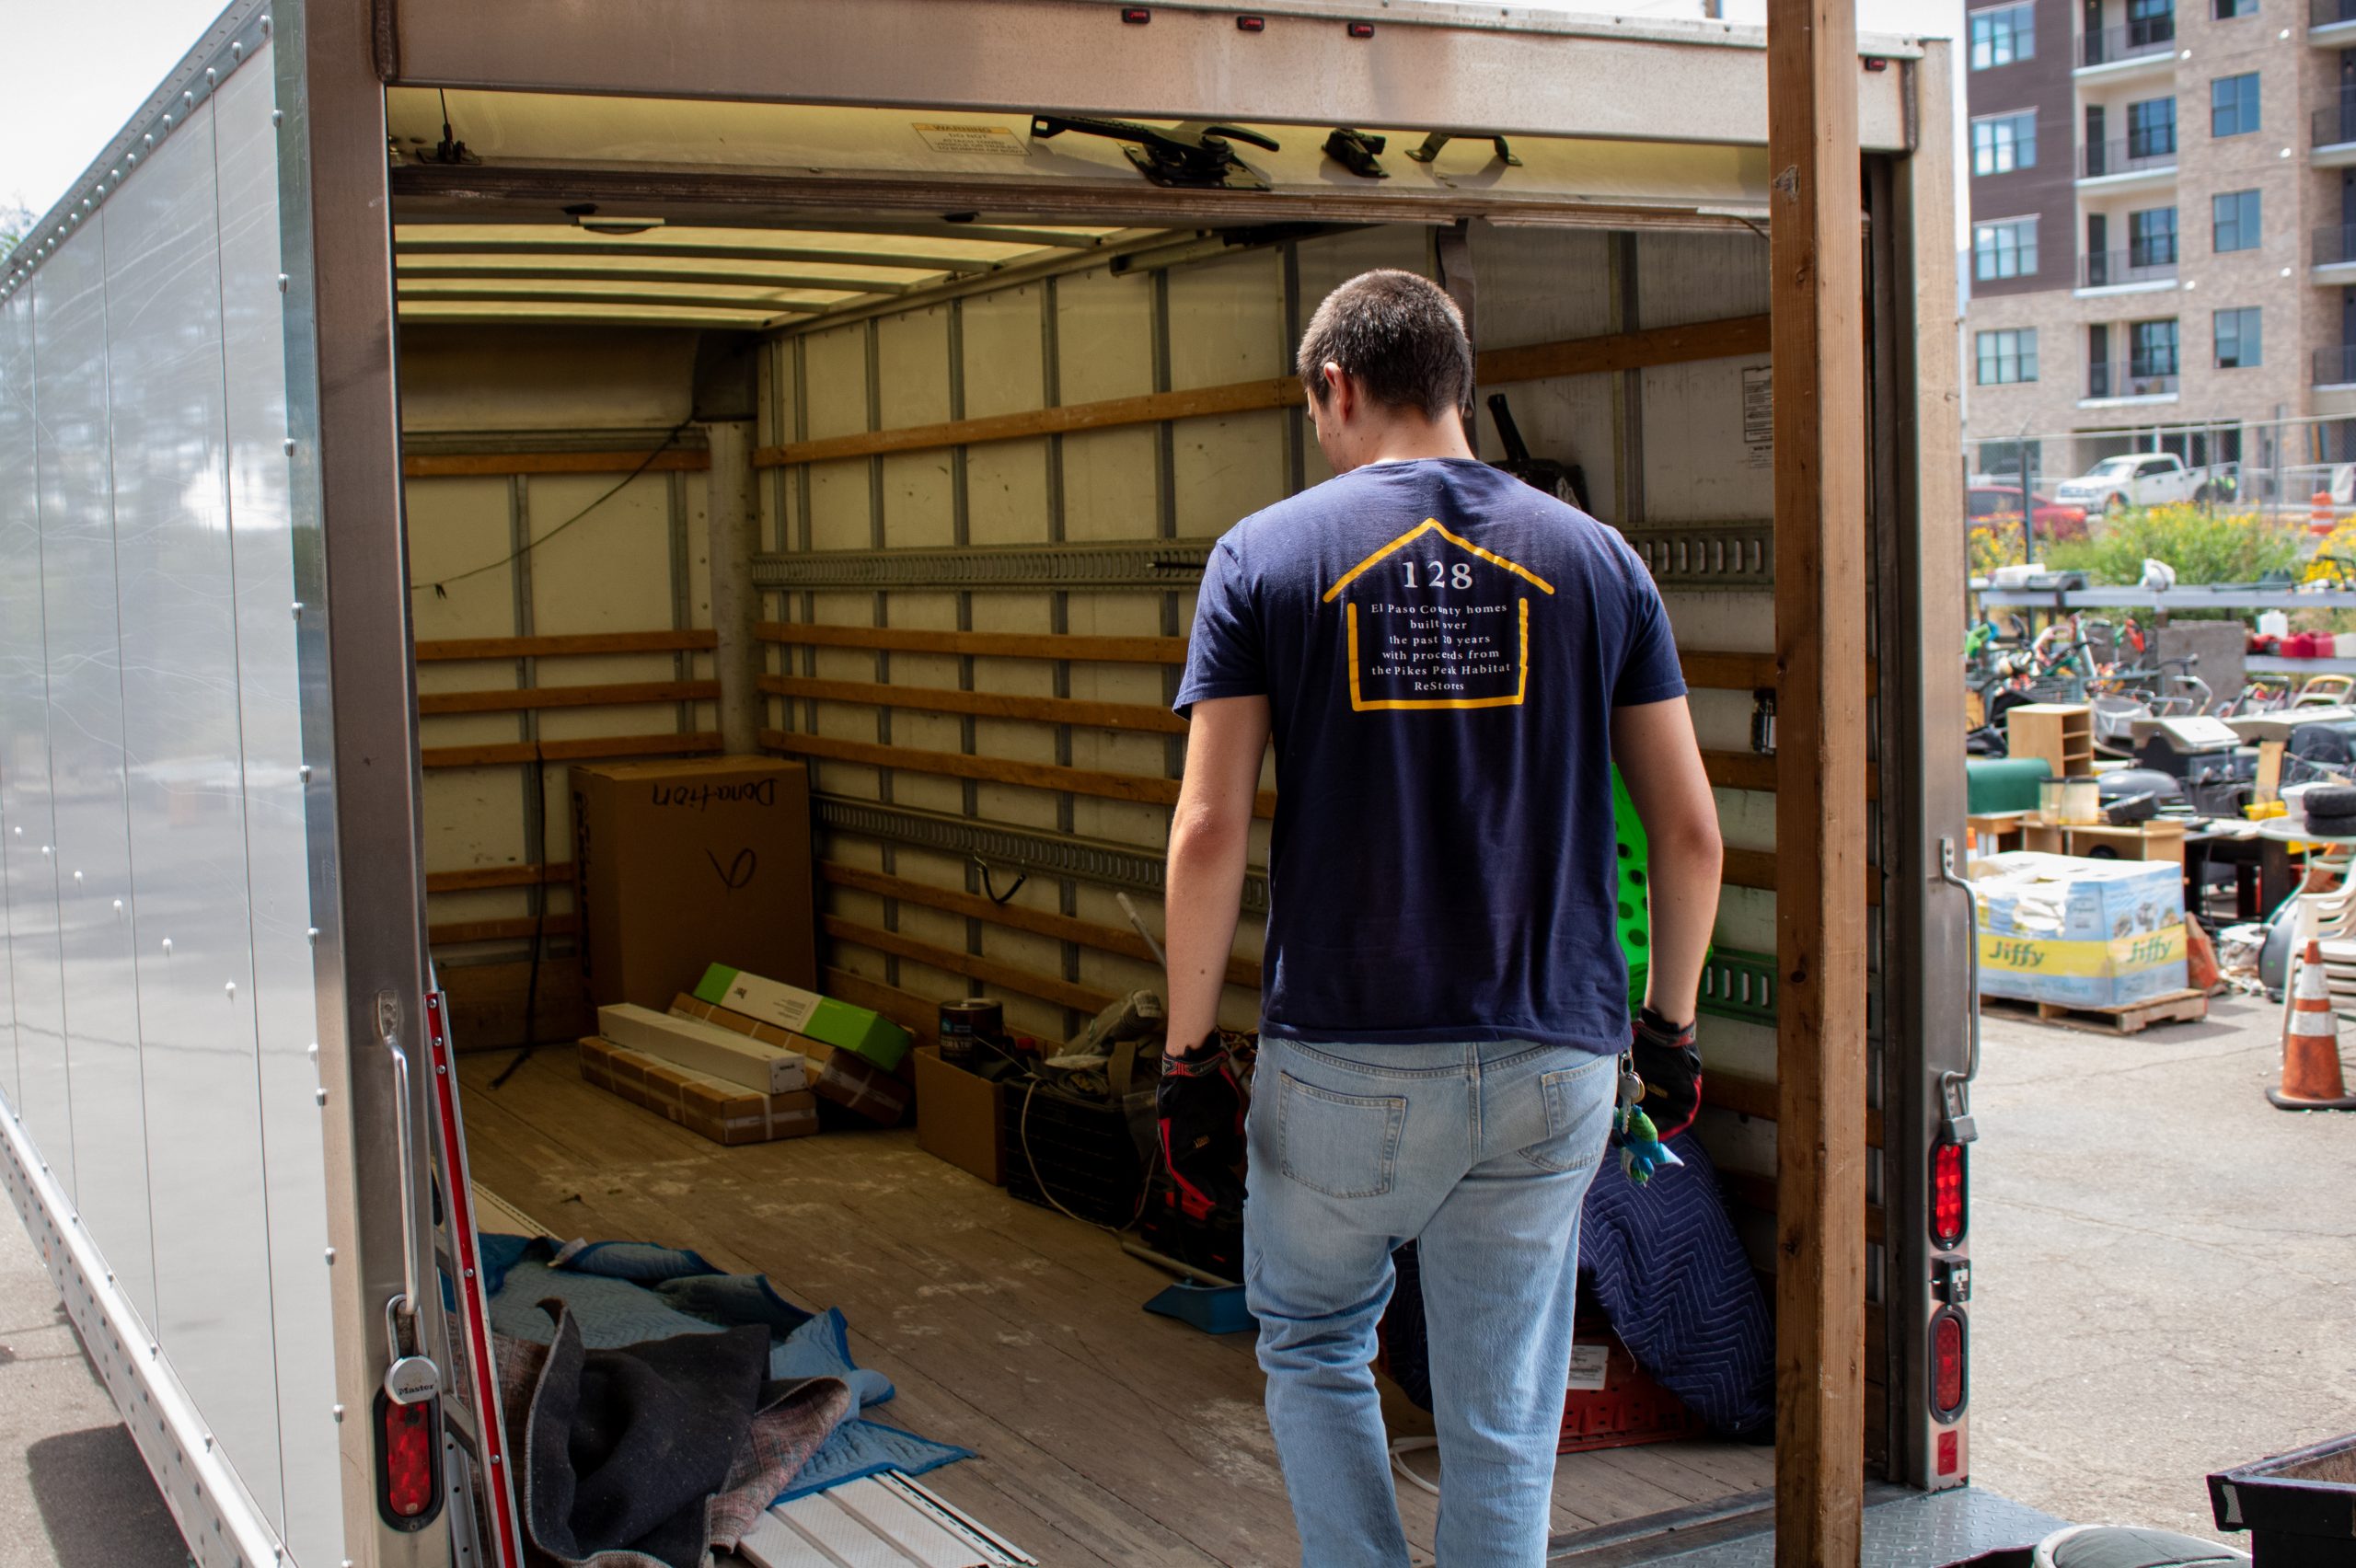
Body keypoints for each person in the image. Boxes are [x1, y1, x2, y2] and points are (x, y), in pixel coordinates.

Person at [1154, 269, 1723, 1567]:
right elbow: (1692, 832)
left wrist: (1188, 1061)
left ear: (1337, 387)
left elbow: (1207, 829)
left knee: (1311, 1339)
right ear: (1456, 386)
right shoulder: (1600, 561)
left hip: (1348, 1052)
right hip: (1556, 1060)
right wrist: (1672, 1030)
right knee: (1503, 1412)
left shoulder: (1264, 556)